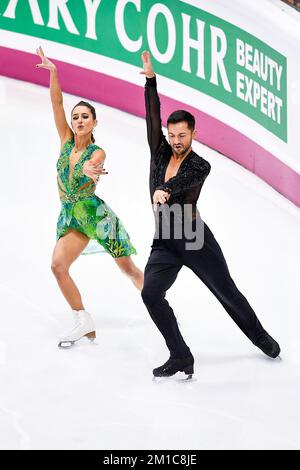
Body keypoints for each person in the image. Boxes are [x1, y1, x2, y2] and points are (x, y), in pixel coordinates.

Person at [140, 50, 280, 378]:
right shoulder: (159, 151)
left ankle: (259, 336)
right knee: (150, 293)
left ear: (193, 135)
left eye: (182, 136)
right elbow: (151, 115)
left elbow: (185, 181)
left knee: (225, 290)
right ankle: (180, 355)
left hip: (193, 238)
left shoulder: (201, 164)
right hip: (165, 241)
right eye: (171, 135)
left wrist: (166, 189)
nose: (176, 141)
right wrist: (150, 81)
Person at [35, 46, 143, 347]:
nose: (79, 120)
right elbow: (56, 103)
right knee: (58, 265)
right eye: (76, 117)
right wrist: (54, 73)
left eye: (85, 117)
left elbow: (95, 166)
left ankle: (154, 296)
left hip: (94, 216)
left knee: (128, 268)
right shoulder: (66, 141)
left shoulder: (97, 151)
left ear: (95, 122)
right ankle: (83, 320)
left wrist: (91, 171)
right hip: (70, 215)